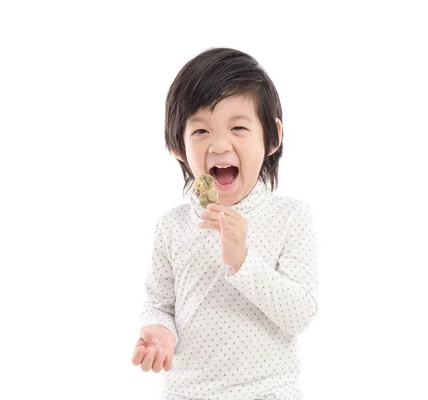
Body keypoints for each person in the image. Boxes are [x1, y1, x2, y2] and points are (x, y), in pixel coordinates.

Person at [130, 47, 319, 400]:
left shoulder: (291, 217)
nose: (219, 145)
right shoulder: (171, 226)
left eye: (238, 127)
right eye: (200, 131)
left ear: (273, 137)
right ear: (177, 146)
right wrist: (159, 329)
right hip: (188, 392)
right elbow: (158, 302)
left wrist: (242, 262)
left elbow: (300, 314)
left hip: (269, 392)